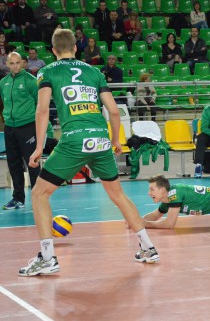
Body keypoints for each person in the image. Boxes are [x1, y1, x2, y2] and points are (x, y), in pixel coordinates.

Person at [19, 28, 159, 276]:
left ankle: (48, 258)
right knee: (118, 194)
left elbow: (42, 110)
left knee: (39, 194)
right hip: (100, 140)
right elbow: (114, 111)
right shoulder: (94, 72)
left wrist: (39, 147)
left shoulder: (47, 71)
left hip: (75, 140)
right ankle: (148, 247)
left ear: (53, 50)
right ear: (76, 48)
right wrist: (115, 140)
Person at [1, 52, 40, 210]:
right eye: (12, 63)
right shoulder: (3, 82)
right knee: (13, 163)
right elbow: (4, 102)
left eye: (18, 63)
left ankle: (38, 198)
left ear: (23, 63)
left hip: (27, 126)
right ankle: (18, 198)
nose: (15, 66)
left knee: (32, 162)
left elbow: (39, 104)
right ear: (7, 64)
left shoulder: (30, 81)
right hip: (10, 127)